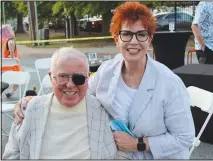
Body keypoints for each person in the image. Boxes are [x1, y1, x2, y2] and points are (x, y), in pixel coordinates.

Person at [13, 2, 195, 159]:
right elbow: (77, 90)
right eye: (126, 34)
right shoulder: (107, 71)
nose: (133, 41)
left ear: (150, 39)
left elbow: (184, 138)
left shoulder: (169, 83)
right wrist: (33, 101)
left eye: (141, 34)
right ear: (116, 39)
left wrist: (138, 144)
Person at [3, 47, 131, 159]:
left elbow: (124, 154)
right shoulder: (29, 110)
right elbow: (12, 155)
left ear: (88, 78)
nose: (70, 85)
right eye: (62, 76)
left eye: (78, 78)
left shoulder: (104, 111)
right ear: (50, 76)